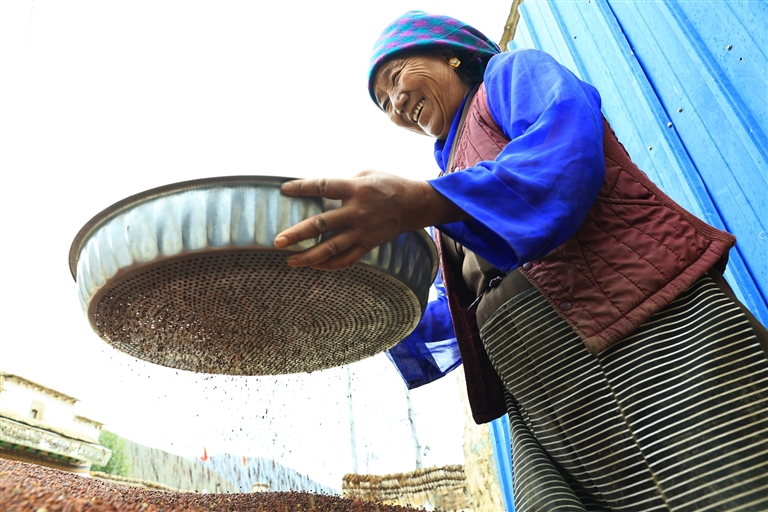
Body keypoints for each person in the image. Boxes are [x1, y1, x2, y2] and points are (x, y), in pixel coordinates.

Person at [274, 10, 768, 511]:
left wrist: (421, 202)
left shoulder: (510, 77)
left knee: (715, 485)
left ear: (450, 54)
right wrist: (349, 311)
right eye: (383, 103)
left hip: (635, 333)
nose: (395, 104)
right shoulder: (447, 177)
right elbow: (454, 312)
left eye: (396, 78)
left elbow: (563, 156)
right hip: (539, 386)